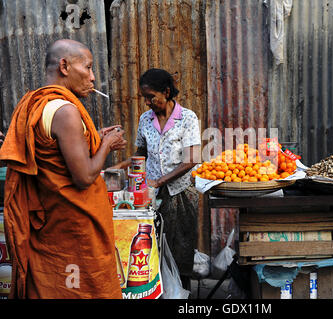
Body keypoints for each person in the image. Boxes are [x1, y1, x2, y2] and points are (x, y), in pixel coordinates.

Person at [0, 39, 126, 299]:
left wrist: (95, 140)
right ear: (65, 66)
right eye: (88, 68)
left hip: (50, 225)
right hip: (74, 228)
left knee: (54, 287)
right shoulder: (66, 111)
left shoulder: (37, 105)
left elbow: (59, 154)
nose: (92, 78)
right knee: (81, 290)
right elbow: (83, 177)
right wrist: (107, 145)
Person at [111, 68, 201, 290]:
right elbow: (142, 153)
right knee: (153, 245)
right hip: (151, 195)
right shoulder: (145, 119)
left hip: (181, 193)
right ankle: (158, 290)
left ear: (167, 92)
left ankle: (183, 294)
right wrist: (120, 166)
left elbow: (191, 160)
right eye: (145, 98)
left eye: (151, 97)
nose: (148, 102)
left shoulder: (187, 118)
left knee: (181, 247)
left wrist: (159, 182)